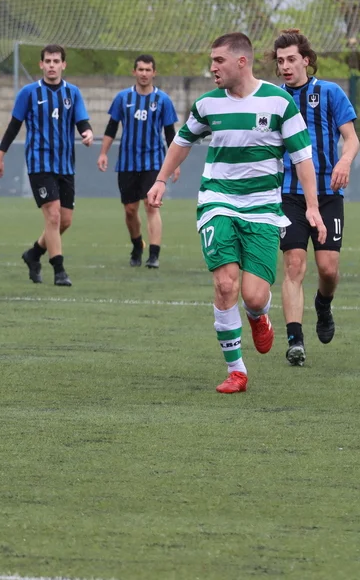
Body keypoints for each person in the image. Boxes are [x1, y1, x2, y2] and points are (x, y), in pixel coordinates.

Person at [148, 33, 325, 394]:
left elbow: (302, 158)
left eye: (219, 61)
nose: (212, 68)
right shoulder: (207, 104)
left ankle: (259, 316)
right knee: (225, 283)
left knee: (254, 296)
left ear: (241, 62)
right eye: (211, 61)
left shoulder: (278, 103)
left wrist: (312, 207)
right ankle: (236, 371)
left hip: (263, 209)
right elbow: (182, 141)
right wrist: (161, 179)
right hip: (218, 202)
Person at [271, 29, 358, 366]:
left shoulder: (330, 92)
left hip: (328, 193)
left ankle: (323, 303)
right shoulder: (273, 99)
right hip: (289, 195)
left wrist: (344, 161)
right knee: (294, 264)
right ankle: (295, 340)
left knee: (328, 269)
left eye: (291, 59)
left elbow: (351, 138)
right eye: (280, 61)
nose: (285, 66)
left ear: (306, 60)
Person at [0, 44, 93, 286]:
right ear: (41, 64)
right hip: (39, 164)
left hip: (66, 165)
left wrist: (87, 132)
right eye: (48, 61)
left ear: (63, 65)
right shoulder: (28, 93)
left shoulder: (73, 93)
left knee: (65, 220)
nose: (52, 66)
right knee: (53, 215)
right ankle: (59, 271)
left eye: (56, 61)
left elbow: (82, 121)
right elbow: (13, 127)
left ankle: (34, 254)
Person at [97, 54, 180, 268]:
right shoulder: (123, 98)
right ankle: (137, 245)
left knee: (151, 206)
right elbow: (111, 127)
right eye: (140, 69)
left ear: (154, 73)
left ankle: (154, 255)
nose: (144, 73)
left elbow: (170, 134)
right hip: (127, 162)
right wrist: (103, 153)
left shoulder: (163, 100)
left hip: (154, 162)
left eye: (148, 70)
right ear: (134, 72)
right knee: (130, 210)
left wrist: (175, 163)